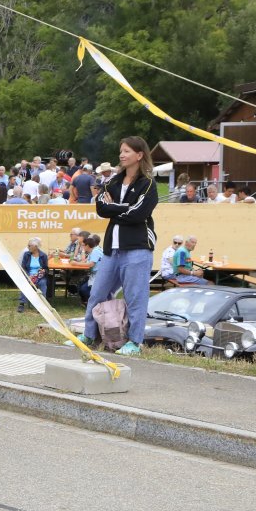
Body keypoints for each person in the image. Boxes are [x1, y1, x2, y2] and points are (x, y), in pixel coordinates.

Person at [78, 136, 159, 355]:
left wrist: (114, 208)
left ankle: (134, 341)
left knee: (135, 297)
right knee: (97, 294)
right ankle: (89, 335)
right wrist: (122, 208)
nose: (122, 155)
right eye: (121, 151)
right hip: (111, 249)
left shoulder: (148, 184)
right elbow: (101, 208)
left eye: (126, 151)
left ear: (139, 155)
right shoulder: (113, 182)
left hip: (137, 248)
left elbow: (139, 213)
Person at [17, 237, 49, 312]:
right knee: (25, 283)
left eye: (29, 246)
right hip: (29, 275)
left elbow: (47, 269)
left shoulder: (43, 255)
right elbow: (23, 268)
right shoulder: (26, 254)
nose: (28, 247)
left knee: (43, 283)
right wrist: (28, 276)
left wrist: (43, 271)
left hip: (39, 276)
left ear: (35, 246)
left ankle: (42, 305)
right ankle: (21, 303)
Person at [75, 231, 104, 305]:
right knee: (81, 285)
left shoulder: (96, 251)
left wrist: (76, 263)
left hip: (98, 276)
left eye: (85, 244)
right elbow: (84, 261)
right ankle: (88, 302)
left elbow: (90, 264)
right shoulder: (93, 251)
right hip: (94, 274)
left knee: (83, 289)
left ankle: (95, 303)